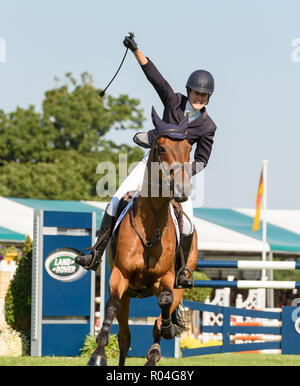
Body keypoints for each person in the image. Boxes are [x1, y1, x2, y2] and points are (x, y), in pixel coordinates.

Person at [76, 34, 217, 289]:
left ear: (208, 98)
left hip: (179, 174)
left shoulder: (208, 126)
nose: (199, 98)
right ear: (189, 91)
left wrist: (184, 171)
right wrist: (136, 51)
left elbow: (203, 159)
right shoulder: (173, 100)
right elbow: (155, 77)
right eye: (197, 93)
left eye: (204, 96)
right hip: (151, 166)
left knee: (188, 222)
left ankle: (182, 270)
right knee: (116, 199)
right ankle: (96, 252)